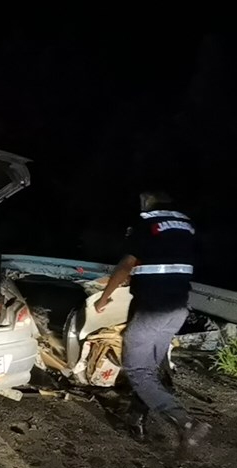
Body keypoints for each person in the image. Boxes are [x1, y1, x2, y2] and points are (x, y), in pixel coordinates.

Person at [94, 190, 209, 449]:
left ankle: (186, 423)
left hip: (152, 308)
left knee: (137, 369)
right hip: (177, 309)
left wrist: (104, 298)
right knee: (149, 371)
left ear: (147, 199)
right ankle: (136, 419)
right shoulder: (185, 225)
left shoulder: (146, 222)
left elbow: (126, 265)